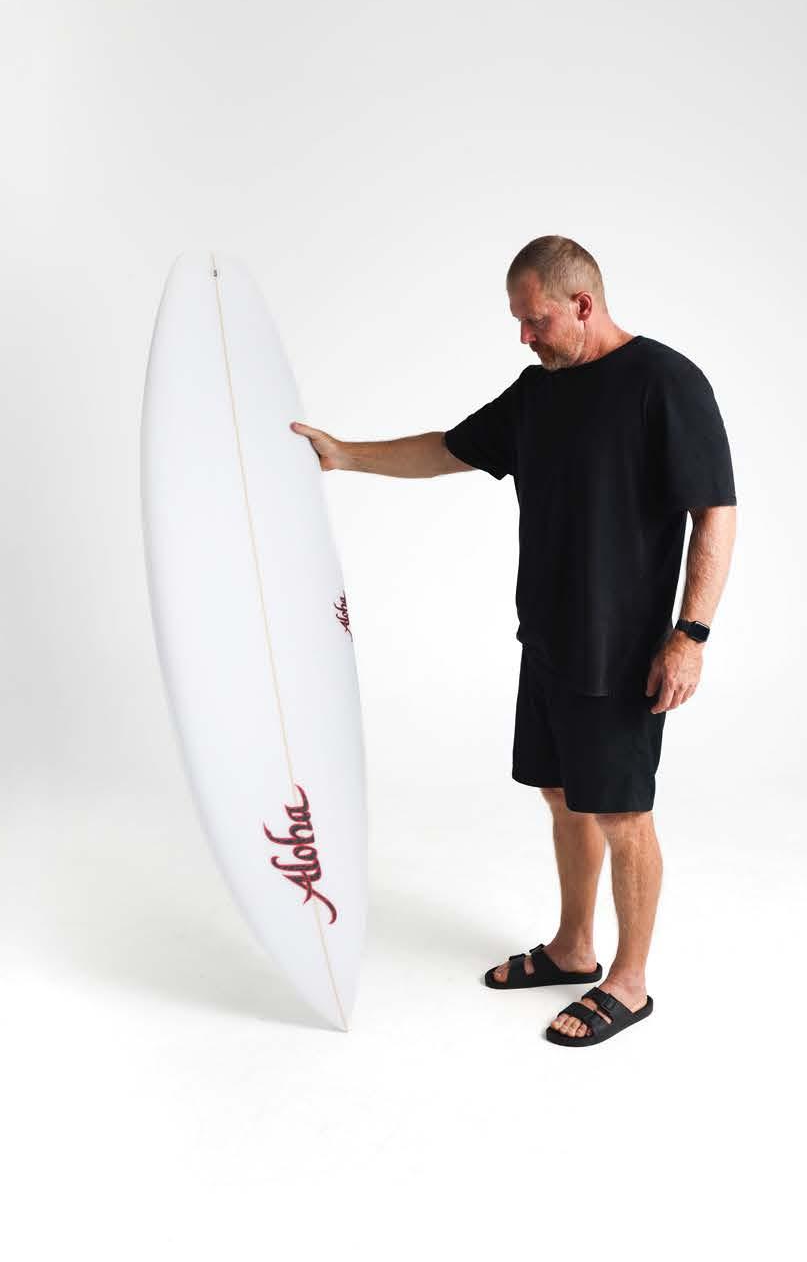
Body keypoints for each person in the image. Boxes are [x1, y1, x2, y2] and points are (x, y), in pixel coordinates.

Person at [289, 235, 738, 1047]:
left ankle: (629, 981)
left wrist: (691, 634)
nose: (524, 336)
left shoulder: (666, 382)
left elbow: (715, 510)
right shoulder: (538, 394)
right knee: (562, 795)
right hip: (550, 638)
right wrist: (344, 455)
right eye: (518, 322)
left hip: (625, 651)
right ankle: (573, 947)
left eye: (535, 320)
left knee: (623, 812)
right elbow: (448, 448)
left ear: (582, 304)